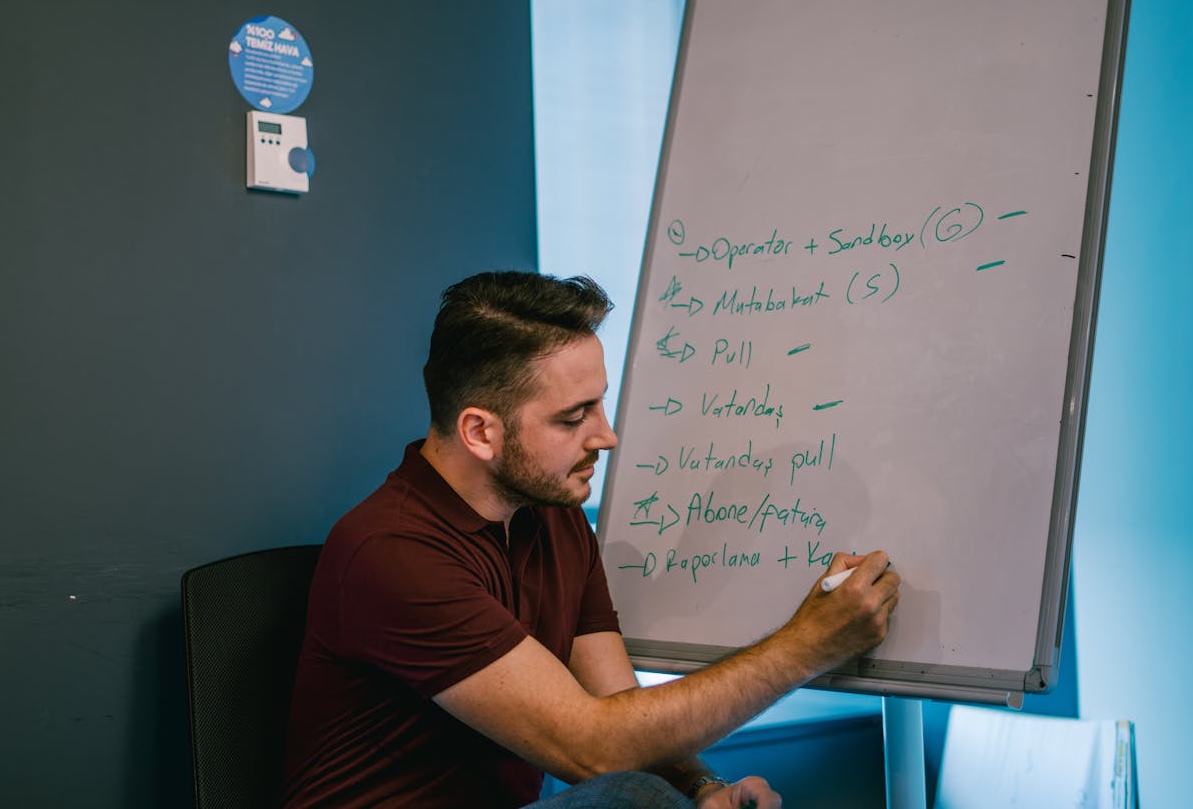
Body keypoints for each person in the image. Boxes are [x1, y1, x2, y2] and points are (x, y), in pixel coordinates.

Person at [281, 271, 900, 808]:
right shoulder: (392, 552)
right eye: (574, 418)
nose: (605, 437)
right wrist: (810, 644)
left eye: (599, 406)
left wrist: (704, 789)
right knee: (629, 798)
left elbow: (618, 709)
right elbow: (593, 749)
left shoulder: (553, 515)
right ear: (479, 432)